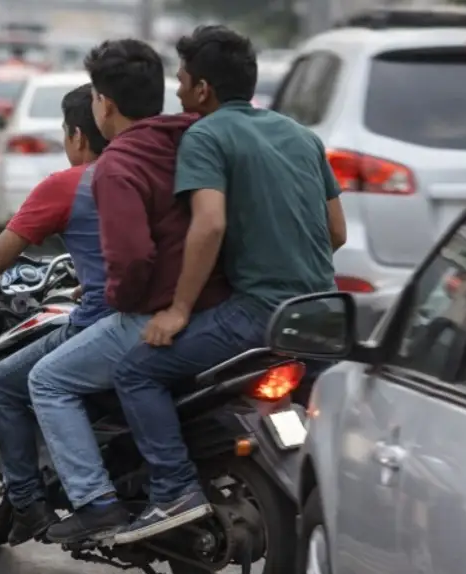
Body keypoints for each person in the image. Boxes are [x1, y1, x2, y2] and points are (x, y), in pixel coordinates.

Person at [110, 25, 347, 545]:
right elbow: (337, 232)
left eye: (183, 81)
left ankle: (172, 491)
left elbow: (209, 224)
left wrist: (177, 310)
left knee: (136, 374)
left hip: (259, 315)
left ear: (203, 90)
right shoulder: (303, 136)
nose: (177, 91)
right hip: (324, 317)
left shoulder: (206, 135)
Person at [32, 39, 229, 545]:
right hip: (223, 305)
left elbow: (132, 257)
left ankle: (96, 504)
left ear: (105, 104)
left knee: (47, 381)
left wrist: (117, 300)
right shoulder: (193, 135)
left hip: (155, 313)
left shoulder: (118, 164)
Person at [0, 84, 111, 546]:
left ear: (76, 135)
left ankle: (30, 505)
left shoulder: (71, 183)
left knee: (3, 383)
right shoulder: (157, 172)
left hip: (107, 320)